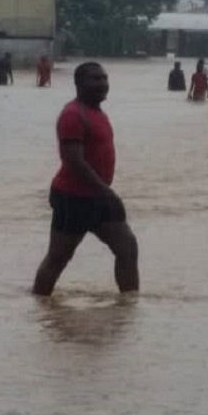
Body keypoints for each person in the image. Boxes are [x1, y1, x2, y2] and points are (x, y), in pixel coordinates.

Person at [33, 62, 140, 296]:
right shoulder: (73, 115)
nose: (102, 84)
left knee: (127, 248)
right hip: (73, 198)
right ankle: (39, 306)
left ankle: (129, 309)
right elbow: (73, 161)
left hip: (96, 196)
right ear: (79, 84)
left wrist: (103, 192)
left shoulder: (97, 113)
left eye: (104, 78)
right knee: (59, 257)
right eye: (95, 79)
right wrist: (106, 192)